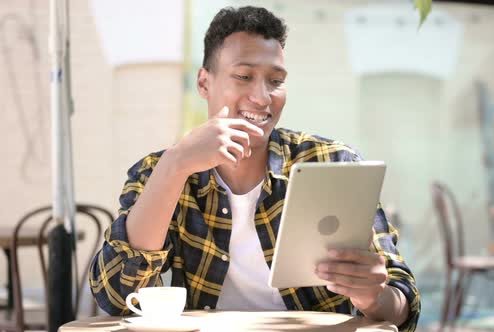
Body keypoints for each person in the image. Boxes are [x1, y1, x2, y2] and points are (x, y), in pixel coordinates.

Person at [89, 6, 420, 331]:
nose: (262, 98)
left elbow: (402, 304)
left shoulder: (332, 162)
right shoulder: (157, 171)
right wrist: (176, 165)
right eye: (244, 77)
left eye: (275, 80)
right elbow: (116, 296)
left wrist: (374, 296)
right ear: (204, 83)